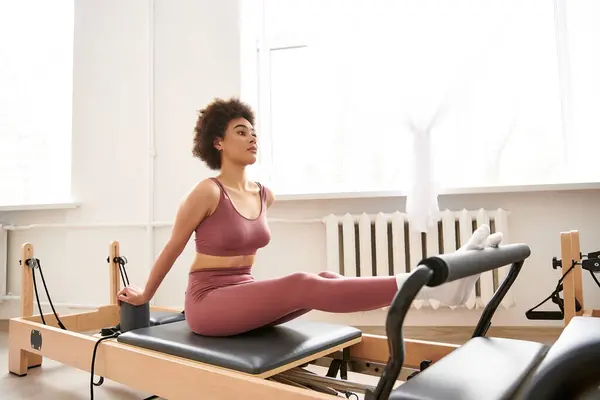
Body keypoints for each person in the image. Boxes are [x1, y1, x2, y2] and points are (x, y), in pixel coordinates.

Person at [117, 97, 503, 337]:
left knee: (325, 279)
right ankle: (431, 282)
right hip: (208, 303)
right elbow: (174, 245)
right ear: (218, 142)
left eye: (254, 132)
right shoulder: (206, 191)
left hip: (243, 294)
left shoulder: (264, 194)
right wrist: (145, 295)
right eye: (241, 132)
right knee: (304, 282)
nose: (253, 138)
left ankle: (440, 285)